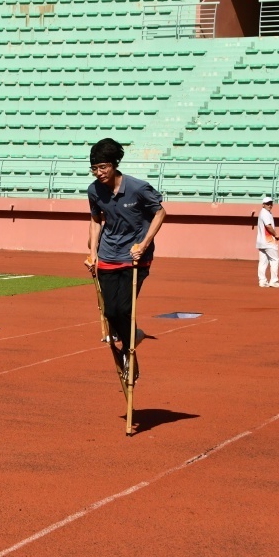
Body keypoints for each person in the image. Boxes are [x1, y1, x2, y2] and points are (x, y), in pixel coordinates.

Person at [84, 138, 165, 380]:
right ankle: (134, 339)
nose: (99, 173)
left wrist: (145, 243)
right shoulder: (93, 190)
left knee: (124, 308)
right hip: (108, 255)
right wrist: (92, 253)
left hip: (135, 257)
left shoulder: (138, 188)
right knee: (109, 311)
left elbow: (160, 212)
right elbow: (96, 220)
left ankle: (129, 349)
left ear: (115, 164)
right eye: (95, 168)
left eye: (103, 167)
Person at [256, 196, 279, 288]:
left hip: (261, 242)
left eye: (271, 203)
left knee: (263, 261)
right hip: (268, 240)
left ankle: (262, 281)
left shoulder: (264, 213)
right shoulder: (265, 213)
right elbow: (268, 226)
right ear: (263, 205)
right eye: (267, 204)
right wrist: (275, 234)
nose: (270, 205)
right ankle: (273, 281)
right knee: (275, 260)